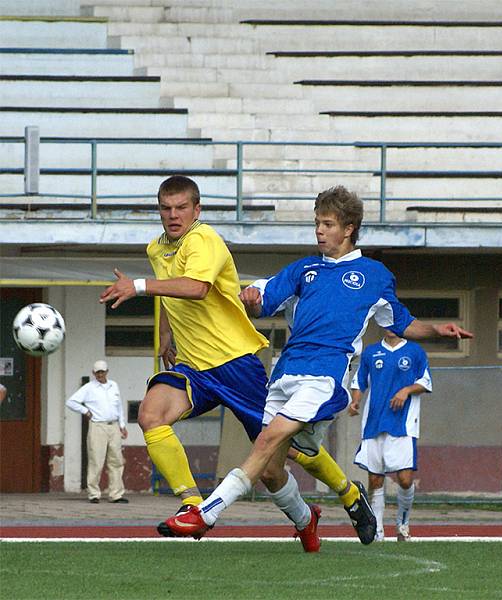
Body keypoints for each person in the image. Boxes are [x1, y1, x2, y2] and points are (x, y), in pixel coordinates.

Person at [157, 185, 472, 552]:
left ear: (349, 229)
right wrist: (251, 300)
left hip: (324, 376)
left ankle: (207, 513)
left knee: (268, 439)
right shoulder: (303, 269)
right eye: (317, 223)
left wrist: (437, 330)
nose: (319, 231)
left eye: (327, 224)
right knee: (273, 471)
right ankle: (312, 519)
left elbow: (401, 322)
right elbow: (262, 303)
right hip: (285, 373)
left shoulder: (374, 275)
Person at [99, 176, 377, 544]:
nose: (173, 215)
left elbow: (196, 288)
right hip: (195, 368)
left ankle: (349, 494)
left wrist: (137, 286)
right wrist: (167, 335)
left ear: (197, 210)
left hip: (236, 363)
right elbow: (173, 289)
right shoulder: (157, 249)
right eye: (166, 208)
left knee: (281, 457)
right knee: (150, 414)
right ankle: (194, 505)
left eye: (182, 207)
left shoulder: (204, 240)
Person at [348, 329, 432, 542]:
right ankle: (377, 531)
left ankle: (403, 524)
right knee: (375, 479)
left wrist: (406, 391)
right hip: (374, 422)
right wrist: (355, 400)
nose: (389, 324)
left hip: (403, 424)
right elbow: (359, 382)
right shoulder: (371, 352)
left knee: (404, 479)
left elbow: (425, 382)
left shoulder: (415, 351)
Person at [66, 360, 128, 503]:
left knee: (116, 460)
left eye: (102, 371)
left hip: (113, 425)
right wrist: (85, 411)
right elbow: (71, 402)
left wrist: (122, 425)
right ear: (94, 373)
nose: (100, 374)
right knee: (96, 460)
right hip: (97, 426)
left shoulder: (114, 385)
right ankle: (94, 493)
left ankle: (116, 494)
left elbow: (119, 407)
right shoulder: (89, 388)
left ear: (107, 371)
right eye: (97, 372)